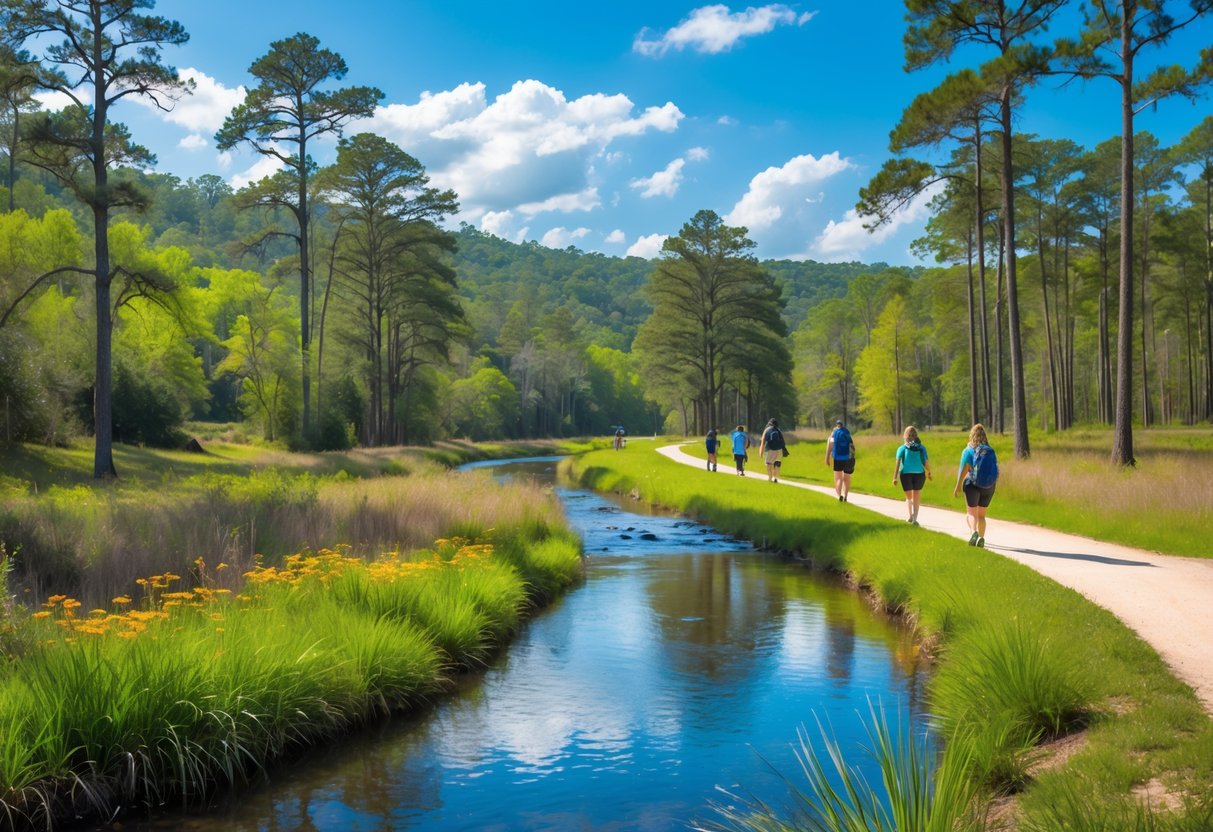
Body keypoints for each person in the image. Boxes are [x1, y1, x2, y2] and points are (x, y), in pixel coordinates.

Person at [953, 423, 999, 547]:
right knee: (982, 516)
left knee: (971, 514)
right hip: (989, 486)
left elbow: (964, 469)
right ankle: (981, 538)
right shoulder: (990, 450)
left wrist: (957, 486)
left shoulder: (968, 450)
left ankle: (974, 532)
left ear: (971, 435)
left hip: (972, 485)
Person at [892, 425, 932, 525]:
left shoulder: (902, 448)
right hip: (920, 474)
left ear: (905, 435)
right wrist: (929, 472)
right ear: (916, 435)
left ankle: (910, 516)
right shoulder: (921, 448)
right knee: (917, 496)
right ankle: (915, 519)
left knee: (909, 497)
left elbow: (898, 464)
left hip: (906, 474)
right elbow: (925, 462)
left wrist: (895, 477)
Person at [824, 419, 855, 501]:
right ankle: (846, 496)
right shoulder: (847, 432)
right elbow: (852, 446)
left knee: (838, 478)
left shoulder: (833, 434)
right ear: (842, 425)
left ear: (836, 425)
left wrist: (827, 458)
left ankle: (839, 495)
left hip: (837, 458)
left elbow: (830, 446)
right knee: (847, 476)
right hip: (848, 458)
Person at [758, 418, 786, 483]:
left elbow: (763, 442)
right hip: (779, 449)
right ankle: (776, 478)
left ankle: (770, 478)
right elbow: (782, 441)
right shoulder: (778, 430)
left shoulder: (767, 430)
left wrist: (761, 453)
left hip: (771, 449)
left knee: (769, 464)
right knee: (777, 463)